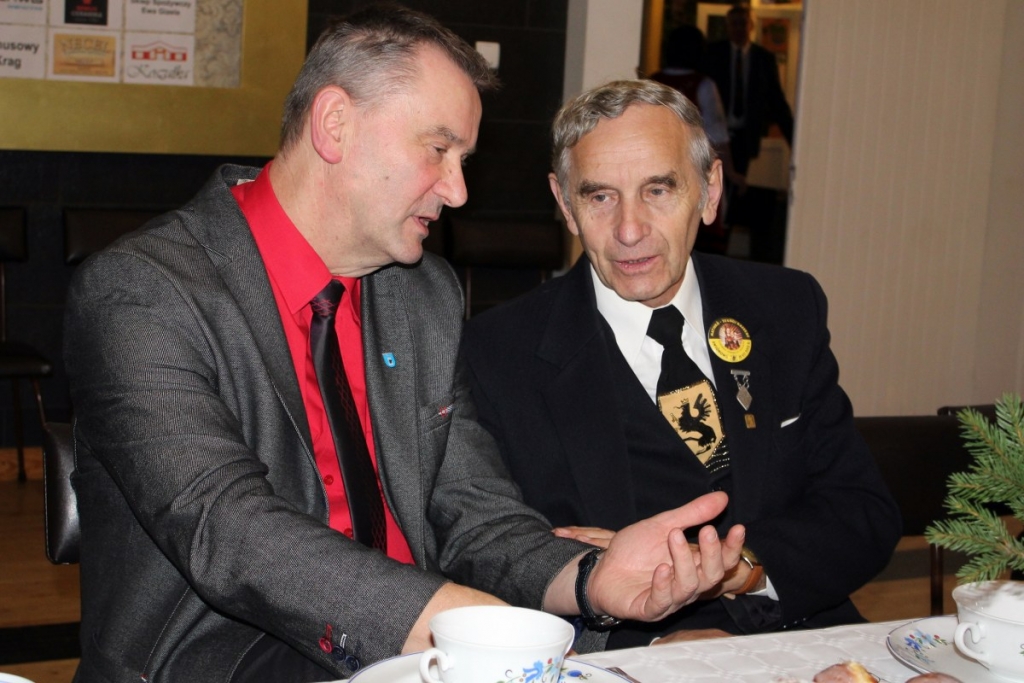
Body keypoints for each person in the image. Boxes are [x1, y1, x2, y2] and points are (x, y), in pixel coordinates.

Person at [63, 8, 745, 682]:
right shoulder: (144, 291)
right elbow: (228, 530)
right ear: (335, 125)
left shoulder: (422, 294)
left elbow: (476, 516)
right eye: (438, 150)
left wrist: (592, 579)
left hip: (414, 657)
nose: (458, 190)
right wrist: (461, 622)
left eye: (463, 160)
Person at [461, 79, 902, 648]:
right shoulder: (497, 353)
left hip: (799, 632)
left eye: (658, 190)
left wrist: (740, 570)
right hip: (625, 653)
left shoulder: (786, 308)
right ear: (565, 205)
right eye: (600, 197)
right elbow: (494, 556)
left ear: (710, 190)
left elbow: (863, 513)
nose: (629, 230)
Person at [706, 3, 794, 263]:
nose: (739, 29)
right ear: (727, 27)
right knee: (714, 189)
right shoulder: (714, 54)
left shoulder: (763, 59)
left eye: (743, 23)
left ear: (751, 26)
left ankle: (730, 251)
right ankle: (713, 248)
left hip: (745, 138)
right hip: (714, 136)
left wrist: (794, 140)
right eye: (734, 24)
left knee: (740, 192)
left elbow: (777, 101)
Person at [651, 24, 745, 255]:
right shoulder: (703, 85)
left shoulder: (653, 82)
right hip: (691, 168)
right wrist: (731, 172)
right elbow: (717, 133)